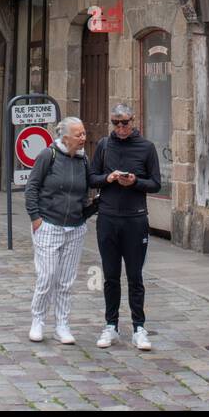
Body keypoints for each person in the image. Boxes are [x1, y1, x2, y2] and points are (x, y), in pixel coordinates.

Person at [90, 102, 161, 351]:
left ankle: (139, 327)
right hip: (108, 218)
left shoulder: (146, 148)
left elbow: (155, 183)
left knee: (135, 276)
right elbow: (91, 177)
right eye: (116, 123)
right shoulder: (103, 145)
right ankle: (111, 325)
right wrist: (108, 179)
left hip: (135, 218)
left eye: (125, 123)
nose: (120, 127)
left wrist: (135, 182)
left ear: (133, 121)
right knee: (110, 276)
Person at [25, 117, 91, 345]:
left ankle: (62, 325)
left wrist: (85, 214)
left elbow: (86, 190)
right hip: (49, 224)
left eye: (84, 133)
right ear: (65, 137)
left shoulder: (83, 160)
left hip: (75, 227)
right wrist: (35, 218)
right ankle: (38, 320)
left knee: (66, 280)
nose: (83, 138)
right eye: (78, 134)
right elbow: (32, 186)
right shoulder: (48, 155)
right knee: (47, 276)